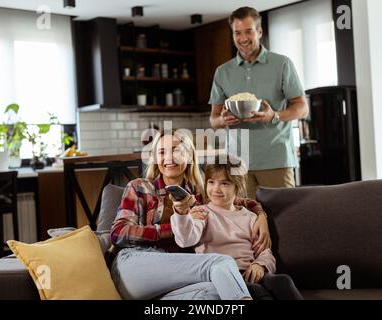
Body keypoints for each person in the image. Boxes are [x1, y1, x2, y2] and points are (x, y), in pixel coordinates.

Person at [110, 129, 271, 300]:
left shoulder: (200, 192)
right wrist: (173, 227)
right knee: (221, 262)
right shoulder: (139, 187)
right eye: (162, 152)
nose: (169, 158)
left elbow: (237, 199)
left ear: (189, 155)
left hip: (177, 275)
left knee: (216, 291)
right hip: (135, 266)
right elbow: (118, 233)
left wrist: (261, 216)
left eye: (176, 150)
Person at [171, 155, 303, 300]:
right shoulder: (201, 213)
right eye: (211, 182)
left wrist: (260, 265)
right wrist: (183, 215)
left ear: (238, 187)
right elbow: (186, 239)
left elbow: (264, 251)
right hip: (222, 276)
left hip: (250, 272)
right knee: (257, 292)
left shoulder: (251, 217)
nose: (216, 189)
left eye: (225, 183)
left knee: (283, 281)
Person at [209, 6, 309, 198]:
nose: (243, 38)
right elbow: (213, 119)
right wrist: (223, 120)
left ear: (260, 32)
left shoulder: (282, 64)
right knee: (244, 222)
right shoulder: (223, 72)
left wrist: (274, 115)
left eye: (248, 31)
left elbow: (302, 107)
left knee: (283, 217)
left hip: (276, 159)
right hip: (237, 162)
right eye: (237, 33)